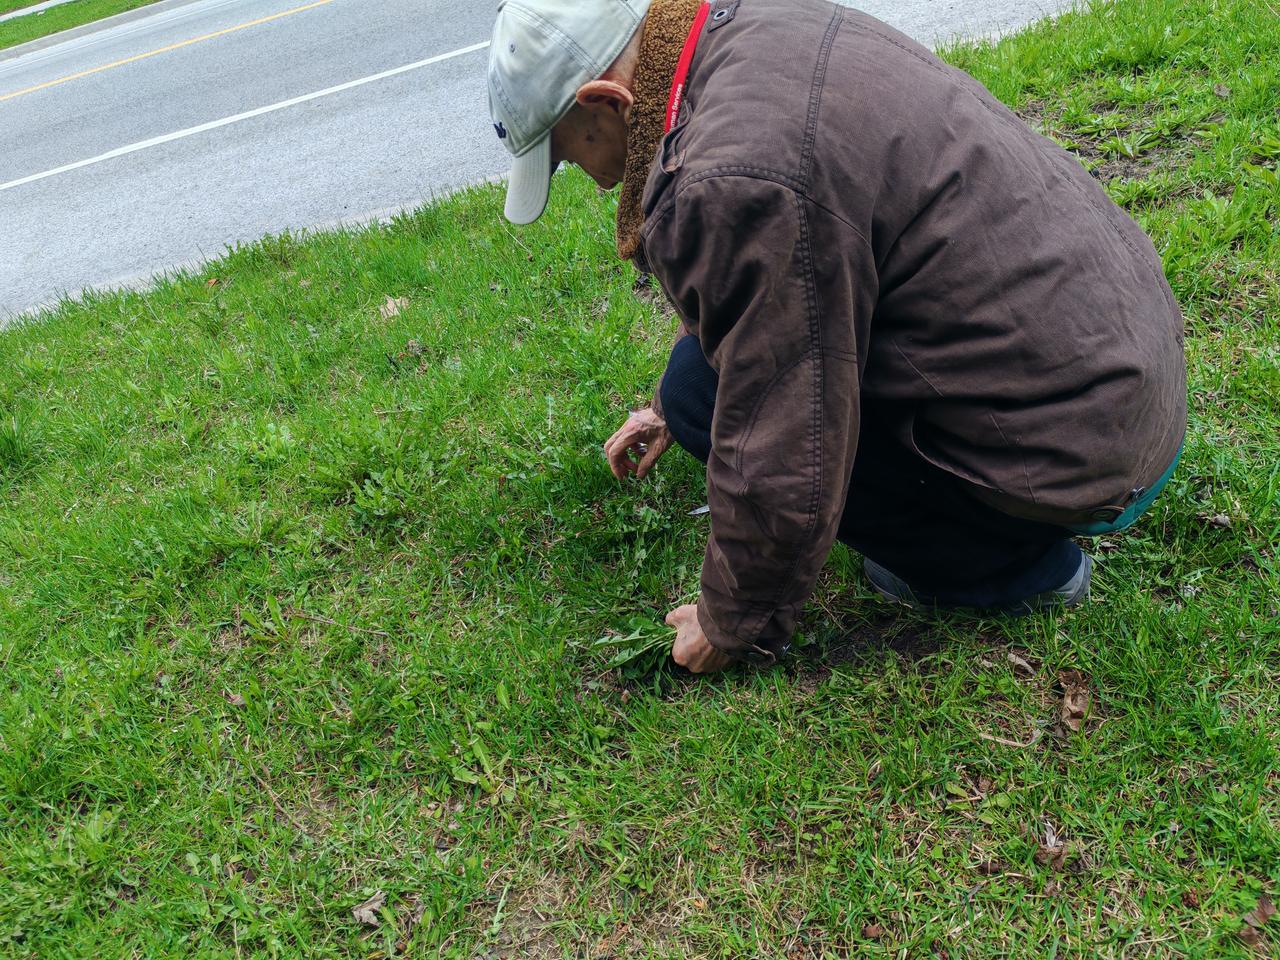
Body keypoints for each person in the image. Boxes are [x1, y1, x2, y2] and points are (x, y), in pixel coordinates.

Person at [486, 0, 1187, 673]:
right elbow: (773, 279)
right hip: (1118, 361)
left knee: (717, 403)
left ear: (607, 101)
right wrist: (669, 405)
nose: (598, 181)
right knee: (693, 388)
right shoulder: (752, 26)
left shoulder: (729, 178)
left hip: (1079, 446)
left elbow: (785, 431)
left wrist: (732, 620)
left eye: (573, 157)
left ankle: (1012, 566)